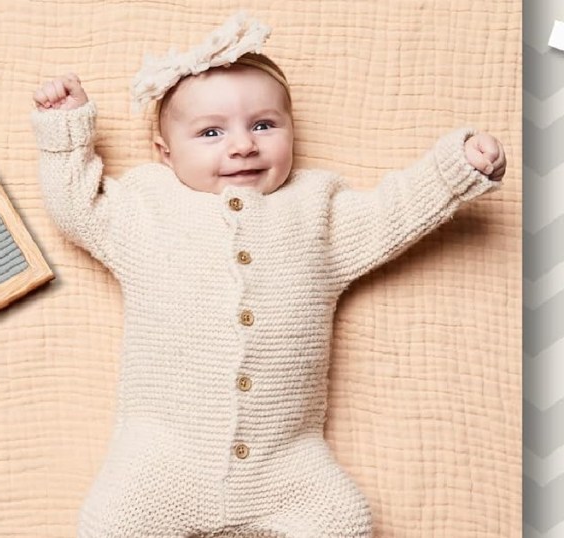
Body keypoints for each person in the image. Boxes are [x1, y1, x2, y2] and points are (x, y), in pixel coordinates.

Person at [30, 12, 505, 538]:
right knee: (109, 524)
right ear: (166, 154)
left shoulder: (317, 209)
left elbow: (392, 212)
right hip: (164, 451)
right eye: (211, 132)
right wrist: (65, 129)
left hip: (285, 460)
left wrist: (454, 169)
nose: (242, 146)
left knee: (345, 521)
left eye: (263, 125)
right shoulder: (147, 207)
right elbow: (77, 207)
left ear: (291, 131)